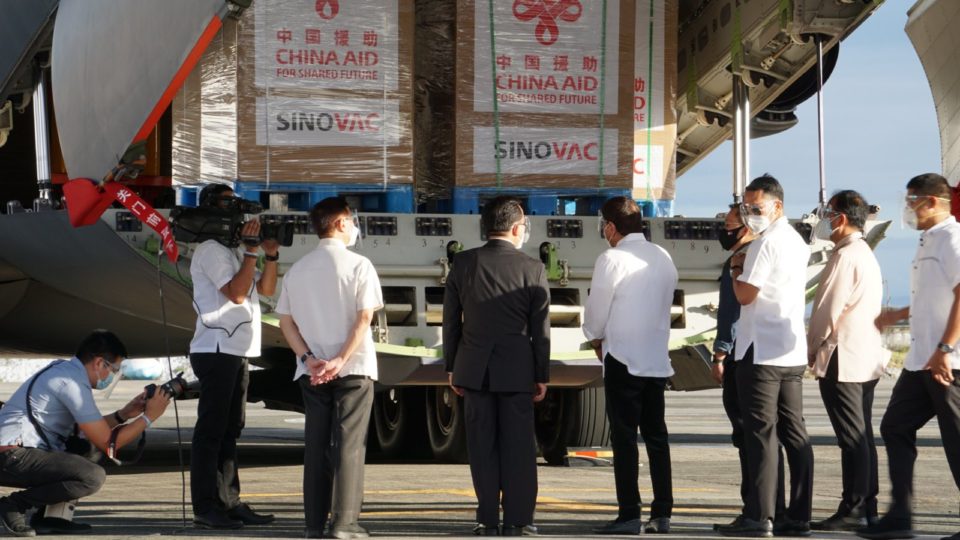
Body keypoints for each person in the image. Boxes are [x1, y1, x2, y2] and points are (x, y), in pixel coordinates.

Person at [860, 173, 960, 540]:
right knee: (895, 427)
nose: (908, 207)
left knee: (957, 439)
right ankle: (900, 516)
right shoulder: (928, 241)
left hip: (947, 361)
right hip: (920, 359)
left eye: (912, 199)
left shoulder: (953, 239)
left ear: (933, 201)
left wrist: (946, 348)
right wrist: (897, 316)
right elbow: (932, 296)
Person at [443, 196, 550, 537]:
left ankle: (487, 518)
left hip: (474, 370)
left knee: (482, 446)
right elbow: (540, 329)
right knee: (519, 447)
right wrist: (541, 374)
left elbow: (450, 322)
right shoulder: (533, 268)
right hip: (518, 371)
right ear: (517, 228)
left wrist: (452, 367)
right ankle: (519, 519)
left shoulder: (462, 263)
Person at [276, 197, 383, 539]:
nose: (354, 227)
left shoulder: (298, 269)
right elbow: (365, 317)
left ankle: (313, 525)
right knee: (349, 446)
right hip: (352, 369)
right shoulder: (359, 265)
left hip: (312, 372)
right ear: (340, 223)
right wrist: (340, 359)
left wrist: (308, 359)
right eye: (352, 221)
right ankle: (345, 523)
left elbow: (286, 322)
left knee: (316, 446)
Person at [0, 330, 171, 536]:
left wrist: (124, 414)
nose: (113, 376)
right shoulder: (69, 382)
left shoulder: (66, 372)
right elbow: (109, 444)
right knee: (92, 476)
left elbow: (88, 430)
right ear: (99, 363)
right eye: (114, 369)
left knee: (85, 448)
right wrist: (148, 417)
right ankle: (13, 505)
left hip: (18, 454)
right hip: (11, 455)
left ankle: (53, 517)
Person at [721, 174, 814, 538]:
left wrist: (734, 269)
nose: (750, 214)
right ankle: (799, 515)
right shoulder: (796, 240)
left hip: (760, 351)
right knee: (795, 433)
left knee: (761, 435)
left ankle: (760, 517)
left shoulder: (764, 244)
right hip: (790, 351)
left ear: (777, 206)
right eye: (746, 208)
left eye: (755, 208)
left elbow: (745, 295)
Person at [584, 196, 678, 535]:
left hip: (623, 358)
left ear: (610, 227)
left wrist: (595, 339)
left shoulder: (611, 258)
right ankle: (662, 512)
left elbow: (597, 313)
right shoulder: (663, 256)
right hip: (655, 359)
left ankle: (629, 514)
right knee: (657, 437)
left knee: (625, 439)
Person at [188, 183, 277, 529]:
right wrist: (252, 253)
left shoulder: (236, 252)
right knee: (210, 431)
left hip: (236, 351)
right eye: (230, 207)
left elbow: (266, 290)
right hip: (215, 349)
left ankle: (229, 501)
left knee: (230, 429)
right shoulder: (211, 250)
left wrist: (268, 255)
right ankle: (205, 506)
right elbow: (237, 295)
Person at [807, 190, 885, 531]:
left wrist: (811, 346)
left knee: (851, 436)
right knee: (862, 434)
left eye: (828, 212)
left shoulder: (845, 256)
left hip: (843, 355)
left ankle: (853, 506)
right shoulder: (864, 253)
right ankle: (867, 504)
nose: (824, 219)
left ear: (840, 218)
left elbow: (826, 309)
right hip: (864, 355)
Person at [712, 205, 787, 532]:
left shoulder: (741, 260)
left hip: (743, 355)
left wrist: (720, 354)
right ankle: (776, 509)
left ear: (744, 228)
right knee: (771, 438)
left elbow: (732, 312)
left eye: (728, 225)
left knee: (747, 437)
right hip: (775, 352)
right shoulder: (772, 251)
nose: (723, 231)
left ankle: (754, 511)